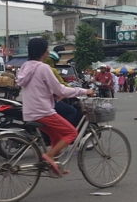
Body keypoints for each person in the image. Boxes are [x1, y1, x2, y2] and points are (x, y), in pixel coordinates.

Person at [17, 38, 93, 177]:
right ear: (42, 52)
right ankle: (50, 156)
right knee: (71, 133)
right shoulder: (43, 67)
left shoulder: (25, 67)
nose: (47, 52)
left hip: (30, 111)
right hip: (43, 111)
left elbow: (39, 88)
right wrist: (84, 91)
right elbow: (61, 90)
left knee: (57, 137)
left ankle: (54, 165)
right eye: (46, 50)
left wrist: (53, 95)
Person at [44, 51, 78, 126]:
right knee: (72, 111)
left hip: (37, 101)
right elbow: (62, 85)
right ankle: (65, 130)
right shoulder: (51, 70)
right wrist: (75, 91)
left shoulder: (37, 69)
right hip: (48, 101)